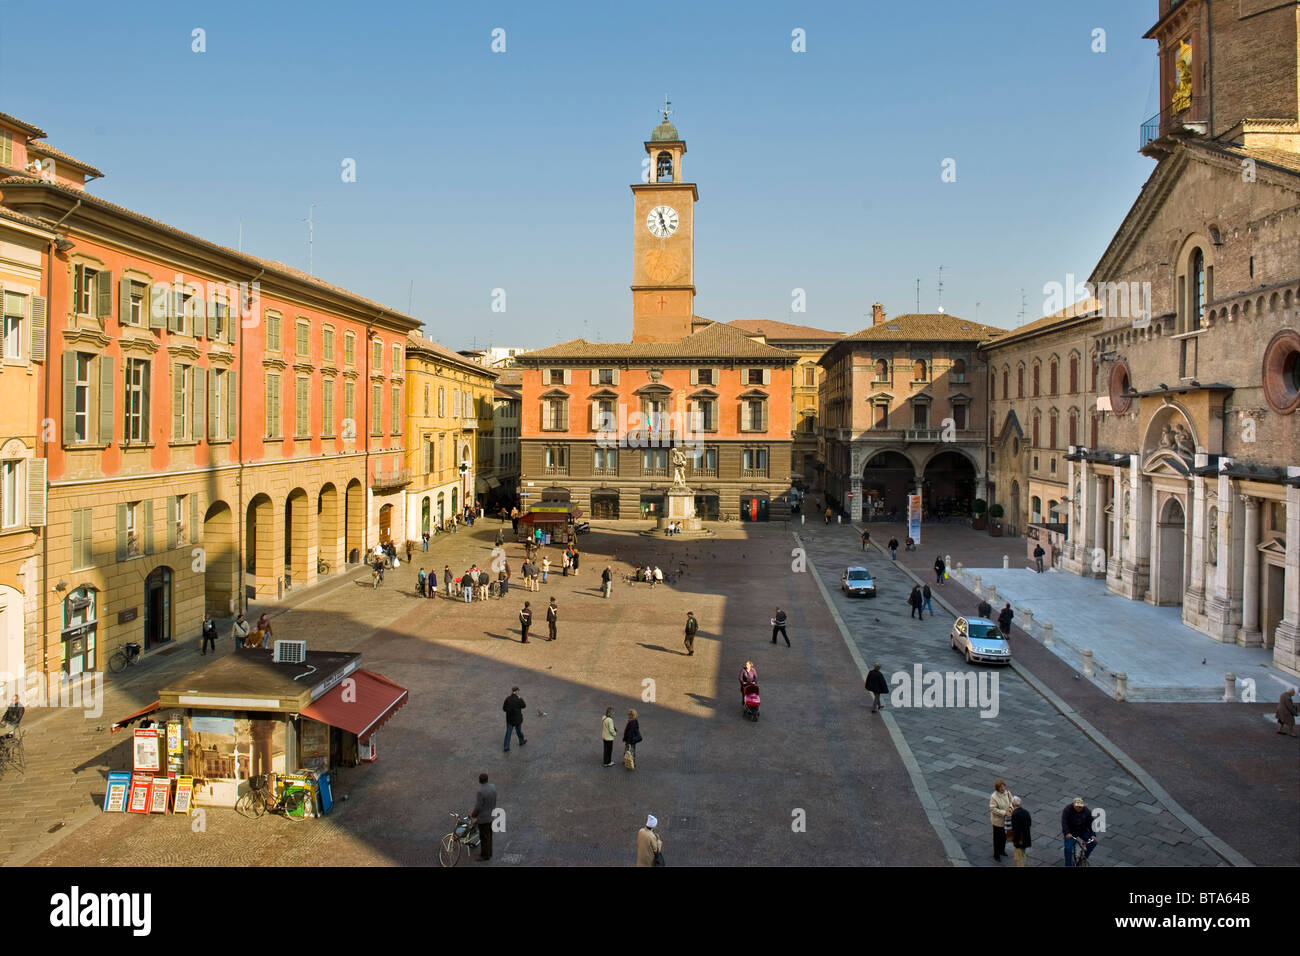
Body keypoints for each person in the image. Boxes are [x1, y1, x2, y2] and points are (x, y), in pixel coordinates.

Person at [469, 772, 497, 862]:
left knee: (484, 837)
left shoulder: (480, 792)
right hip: (490, 815)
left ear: (480, 780)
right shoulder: (493, 787)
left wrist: (472, 815)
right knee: (489, 836)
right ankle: (489, 853)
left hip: (483, 818)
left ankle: (485, 855)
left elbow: (478, 807)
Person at [1061, 797, 1096, 866]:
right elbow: (1064, 822)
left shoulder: (1086, 811)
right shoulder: (1067, 810)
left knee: (1093, 843)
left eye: (1080, 806)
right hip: (1071, 832)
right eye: (1077, 806)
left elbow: (1091, 823)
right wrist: (1067, 833)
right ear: (1073, 805)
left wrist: (1093, 834)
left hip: (1082, 830)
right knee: (1068, 849)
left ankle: (1084, 857)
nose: (1079, 808)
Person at [989, 779, 1014, 862]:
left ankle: (1002, 851)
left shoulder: (1007, 793)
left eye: (1003, 786)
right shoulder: (994, 797)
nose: (1003, 788)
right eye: (1001, 787)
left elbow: (1012, 802)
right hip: (998, 822)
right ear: (997, 788)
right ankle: (996, 855)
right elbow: (993, 809)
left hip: (1007, 820)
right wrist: (1004, 813)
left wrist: (1010, 809)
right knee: (997, 838)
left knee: (1004, 837)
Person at [502, 687, 527, 752]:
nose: (519, 692)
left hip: (509, 719)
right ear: (516, 692)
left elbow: (504, 709)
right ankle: (521, 741)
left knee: (508, 733)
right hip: (517, 719)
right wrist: (520, 698)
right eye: (518, 691)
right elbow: (524, 706)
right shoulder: (518, 699)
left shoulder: (507, 699)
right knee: (518, 731)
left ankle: (506, 746)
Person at [1010, 796, 1032, 867]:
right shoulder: (1026, 812)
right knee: (1023, 854)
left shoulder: (1015, 814)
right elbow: (1029, 824)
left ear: (1013, 804)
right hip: (1026, 837)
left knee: (1019, 857)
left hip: (1019, 840)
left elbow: (1016, 830)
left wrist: (1015, 841)